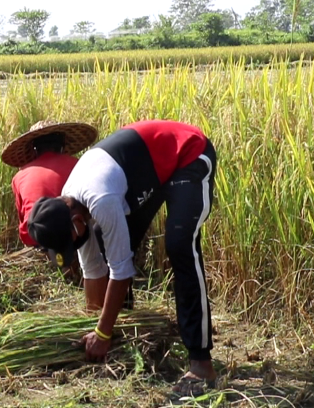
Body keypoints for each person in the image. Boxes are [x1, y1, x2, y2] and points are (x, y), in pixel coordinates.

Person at [27, 119, 218, 396]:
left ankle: (201, 363)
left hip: (187, 153)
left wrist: (102, 333)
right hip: (147, 174)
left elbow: (120, 271)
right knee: (106, 245)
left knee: (179, 246)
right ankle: (127, 337)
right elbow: (93, 270)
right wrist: (92, 328)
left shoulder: (99, 199)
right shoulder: (69, 209)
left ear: (77, 221)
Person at [1, 120, 98, 251]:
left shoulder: (19, 176)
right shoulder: (77, 164)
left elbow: (24, 219)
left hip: (34, 238)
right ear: (63, 145)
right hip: (72, 231)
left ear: (34, 150)